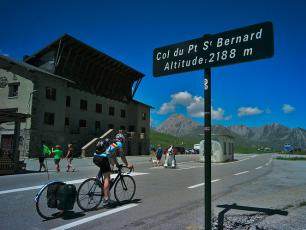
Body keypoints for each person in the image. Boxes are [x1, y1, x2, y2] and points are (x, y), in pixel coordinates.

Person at [93, 131, 133, 206]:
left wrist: (117, 165)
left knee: (105, 170)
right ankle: (106, 198)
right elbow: (122, 155)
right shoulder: (119, 144)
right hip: (102, 158)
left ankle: (98, 181)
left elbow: (112, 156)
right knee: (107, 177)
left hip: (95, 157)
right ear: (122, 140)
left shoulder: (112, 143)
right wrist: (127, 165)